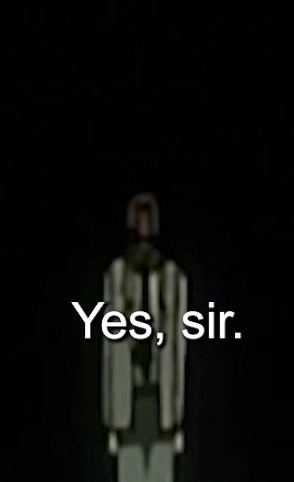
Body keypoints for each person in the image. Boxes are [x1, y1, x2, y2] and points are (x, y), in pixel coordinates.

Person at [102, 194, 188, 482]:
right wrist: (111, 420)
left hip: (161, 400)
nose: (144, 227)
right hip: (128, 400)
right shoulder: (117, 275)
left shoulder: (171, 277)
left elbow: (178, 349)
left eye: (148, 220)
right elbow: (110, 351)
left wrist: (177, 418)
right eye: (139, 220)